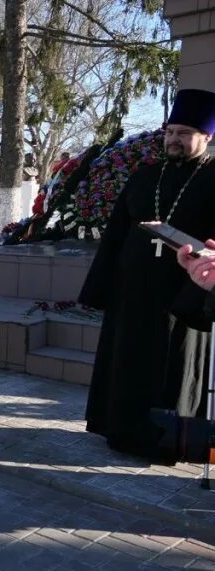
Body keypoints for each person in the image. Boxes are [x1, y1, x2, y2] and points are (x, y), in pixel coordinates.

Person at [80, 89, 215, 460]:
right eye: (170, 131)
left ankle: (169, 439)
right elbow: (116, 235)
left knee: (169, 370)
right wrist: (100, 288)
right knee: (127, 362)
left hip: (182, 297)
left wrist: (201, 299)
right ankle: (119, 429)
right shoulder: (145, 175)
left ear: (207, 137)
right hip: (132, 293)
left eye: (184, 133)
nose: (174, 139)